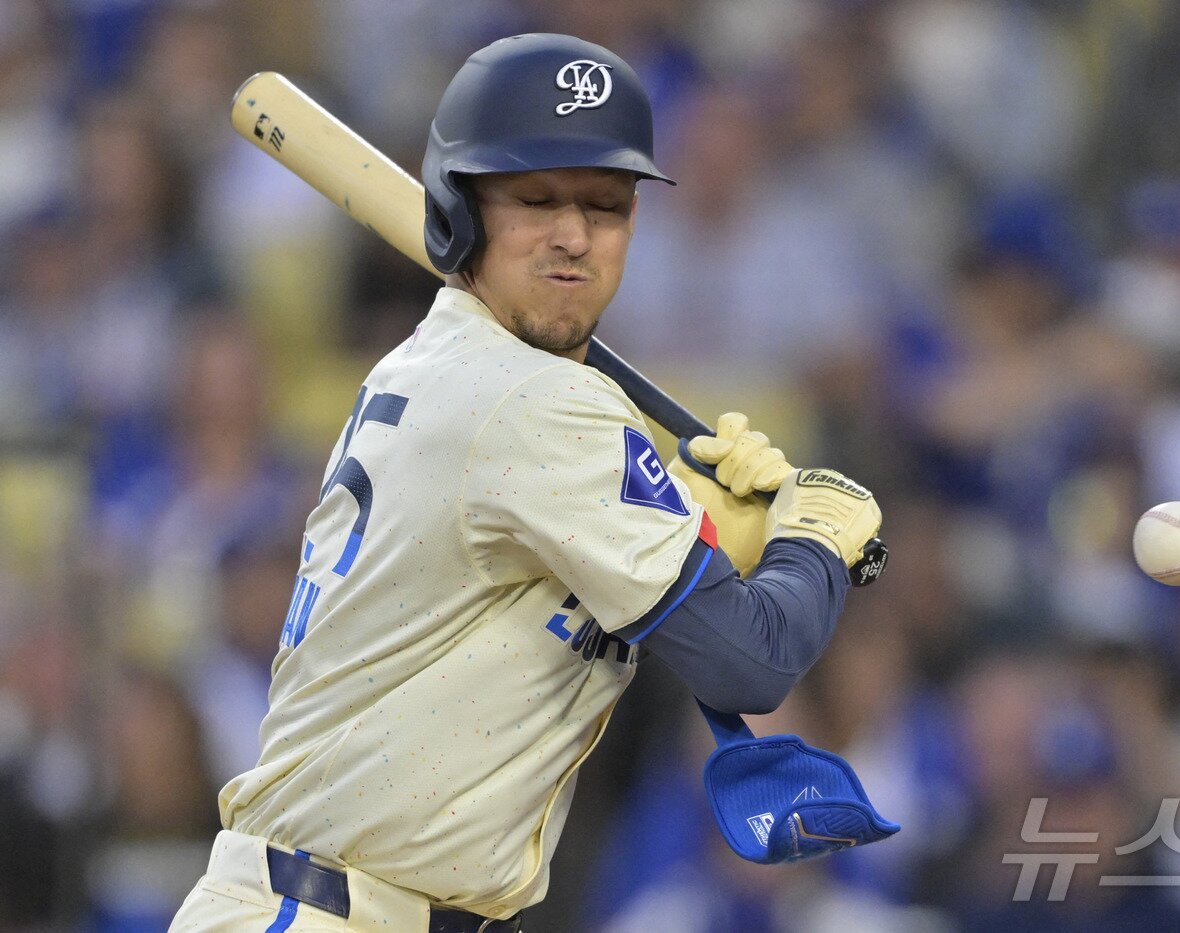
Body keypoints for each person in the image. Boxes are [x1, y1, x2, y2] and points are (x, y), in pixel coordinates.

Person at [170, 33, 882, 932]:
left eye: (605, 204)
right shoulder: (532, 399)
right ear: (460, 213)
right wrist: (811, 535)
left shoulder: (450, 367)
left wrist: (708, 515)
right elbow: (752, 658)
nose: (574, 236)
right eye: (534, 199)